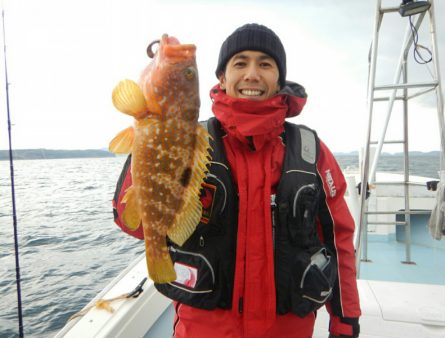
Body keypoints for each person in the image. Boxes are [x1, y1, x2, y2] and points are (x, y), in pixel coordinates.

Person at [113, 23, 361, 338]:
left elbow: (339, 240)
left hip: (288, 329)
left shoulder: (311, 151)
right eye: (240, 63)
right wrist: (150, 139)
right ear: (222, 77)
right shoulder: (191, 140)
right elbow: (129, 223)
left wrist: (345, 319)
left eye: (265, 64)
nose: (252, 74)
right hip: (204, 328)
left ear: (279, 78)